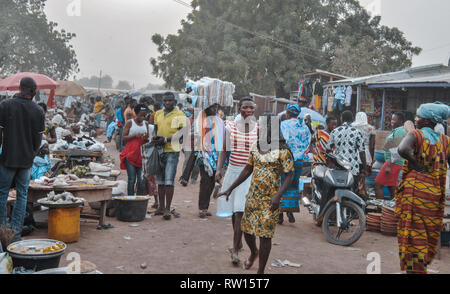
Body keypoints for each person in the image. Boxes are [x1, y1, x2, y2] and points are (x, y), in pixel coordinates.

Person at [218, 115, 295, 274]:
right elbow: (248, 169)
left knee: (265, 236)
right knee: (247, 229)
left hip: (270, 199)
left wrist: (278, 196)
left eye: (262, 126)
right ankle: (254, 252)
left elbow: (289, 175)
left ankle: (260, 272)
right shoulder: (256, 146)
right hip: (253, 196)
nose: (258, 128)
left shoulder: (283, 150)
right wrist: (230, 188)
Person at [396, 103, 450, 274]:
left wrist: (416, 164)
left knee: (413, 234)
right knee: (427, 233)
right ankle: (421, 267)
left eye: (418, 117)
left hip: (414, 193)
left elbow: (402, 149)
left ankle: (415, 270)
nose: (416, 120)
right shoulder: (445, 141)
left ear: (426, 120)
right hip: (434, 195)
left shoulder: (416, 134)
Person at [0, 77, 45, 242]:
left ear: (20, 88)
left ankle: (2, 231)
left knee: (2, 194)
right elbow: (38, 141)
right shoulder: (38, 110)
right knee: (22, 196)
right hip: (26, 161)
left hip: (7, 158)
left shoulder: (5, 106)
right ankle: (16, 233)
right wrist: (32, 154)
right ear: (33, 91)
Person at [215, 97, 258, 266]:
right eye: (245, 107)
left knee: (240, 210)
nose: (248, 110)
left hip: (249, 173)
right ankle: (238, 242)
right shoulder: (230, 126)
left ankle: (234, 250)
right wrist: (219, 169)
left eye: (251, 107)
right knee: (234, 210)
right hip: (233, 170)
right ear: (239, 108)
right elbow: (224, 150)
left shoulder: (258, 128)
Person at [152, 92, 187, 220]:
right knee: (160, 181)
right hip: (159, 150)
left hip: (172, 150)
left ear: (175, 102)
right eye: (165, 101)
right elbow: (156, 128)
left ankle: (167, 208)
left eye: (170, 101)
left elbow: (182, 135)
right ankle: (160, 207)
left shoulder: (180, 115)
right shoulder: (158, 114)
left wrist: (166, 140)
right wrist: (156, 138)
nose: (167, 103)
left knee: (169, 181)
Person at [278, 104, 311, 224]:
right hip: (299, 161)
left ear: (287, 113)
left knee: (282, 184)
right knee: (293, 185)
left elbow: (280, 141)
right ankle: (290, 211)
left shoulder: (283, 125)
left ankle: (280, 214)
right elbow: (308, 142)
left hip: (285, 159)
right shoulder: (304, 126)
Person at [195, 104, 225, 218]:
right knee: (205, 180)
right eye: (212, 107)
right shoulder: (201, 119)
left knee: (212, 181)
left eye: (216, 108)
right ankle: (202, 208)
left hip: (216, 154)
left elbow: (222, 137)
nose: (214, 110)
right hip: (204, 154)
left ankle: (205, 207)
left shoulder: (219, 121)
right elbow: (198, 134)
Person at [327, 110, 368, 195]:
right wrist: (364, 168)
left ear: (342, 119)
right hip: (352, 168)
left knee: (334, 190)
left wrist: (328, 163)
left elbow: (328, 150)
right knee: (353, 191)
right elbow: (362, 153)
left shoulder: (335, 131)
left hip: (337, 167)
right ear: (352, 119)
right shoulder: (357, 132)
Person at [120, 104, 150, 196]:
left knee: (141, 180)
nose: (143, 117)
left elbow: (148, 137)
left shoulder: (146, 123)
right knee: (132, 179)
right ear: (136, 114)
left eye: (144, 115)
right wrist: (134, 136)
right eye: (141, 115)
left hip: (142, 154)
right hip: (130, 154)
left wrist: (145, 137)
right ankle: (130, 200)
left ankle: (139, 200)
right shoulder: (130, 122)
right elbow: (123, 137)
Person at [375, 113, 406, 200]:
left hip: (393, 163)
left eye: (394, 120)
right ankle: (393, 209)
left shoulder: (400, 131)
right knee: (391, 188)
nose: (391, 122)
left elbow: (395, 149)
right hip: (395, 163)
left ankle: (379, 208)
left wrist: (388, 165)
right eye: (391, 119)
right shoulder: (399, 130)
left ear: (400, 121)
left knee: (378, 185)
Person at [352, 112, 376, 200]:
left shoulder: (352, 127)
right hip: (365, 153)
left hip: (354, 153)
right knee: (363, 175)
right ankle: (361, 194)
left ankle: (354, 193)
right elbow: (372, 146)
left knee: (355, 175)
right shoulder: (371, 128)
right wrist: (371, 158)